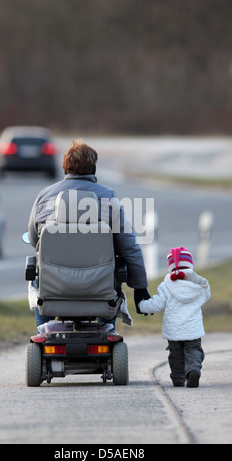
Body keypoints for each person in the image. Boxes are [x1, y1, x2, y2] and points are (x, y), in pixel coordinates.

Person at [28, 139, 150, 330]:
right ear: (93, 169)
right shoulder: (109, 198)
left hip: (54, 288)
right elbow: (130, 248)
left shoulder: (45, 196)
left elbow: (35, 240)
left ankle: (44, 332)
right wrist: (140, 289)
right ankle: (106, 331)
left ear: (65, 168)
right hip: (100, 289)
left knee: (37, 272)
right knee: (114, 273)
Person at [138, 246, 211, 388]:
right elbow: (207, 293)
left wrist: (142, 305)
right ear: (190, 265)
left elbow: (156, 304)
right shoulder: (198, 287)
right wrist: (195, 278)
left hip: (174, 330)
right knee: (193, 351)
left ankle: (178, 379)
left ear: (170, 266)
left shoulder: (166, 285)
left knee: (175, 355)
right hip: (193, 329)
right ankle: (193, 371)